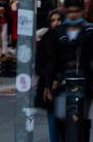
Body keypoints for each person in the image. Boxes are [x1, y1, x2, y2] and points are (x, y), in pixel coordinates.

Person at [42, 0, 93, 140]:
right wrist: (49, 83)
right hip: (63, 82)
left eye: (76, 11)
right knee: (61, 115)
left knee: (81, 117)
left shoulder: (89, 30)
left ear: (82, 12)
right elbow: (53, 59)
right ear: (66, 12)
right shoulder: (59, 31)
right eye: (70, 11)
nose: (73, 15)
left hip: (85, 81)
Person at [36, 9, 64, 142]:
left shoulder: (66, 38)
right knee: (52, 121)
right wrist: (48, 79)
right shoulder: (45, 39)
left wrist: (58, 78)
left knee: (65, 123)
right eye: (53, 20)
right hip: (48, 87)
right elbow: (38, 64)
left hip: (63, 86)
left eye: (59, 20)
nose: (56, 23)